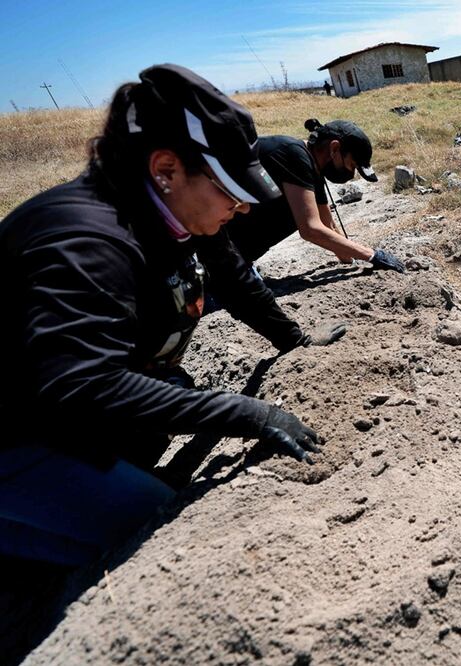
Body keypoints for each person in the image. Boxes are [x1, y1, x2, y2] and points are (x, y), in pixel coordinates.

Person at [0, 64, 344, 567]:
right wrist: (246, 413)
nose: (243, 209)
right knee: (156, 527)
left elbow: (233, 276)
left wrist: (293, 340)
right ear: (166, 169)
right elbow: (85, 383)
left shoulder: (170, 207)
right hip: (20, 430)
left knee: (161, 421)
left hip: (77, 395)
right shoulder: (86, 241)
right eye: (230, 191)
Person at [222, 118, 405, 273]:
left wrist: (349, 259)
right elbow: (311, 229)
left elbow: (328, 224)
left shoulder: (312, 167)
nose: (351, 174)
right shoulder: (293, 155)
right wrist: (372, 256)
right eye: (352, 165)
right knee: (299, 211)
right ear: (334, 149)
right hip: (209, 252)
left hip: (233, 259)